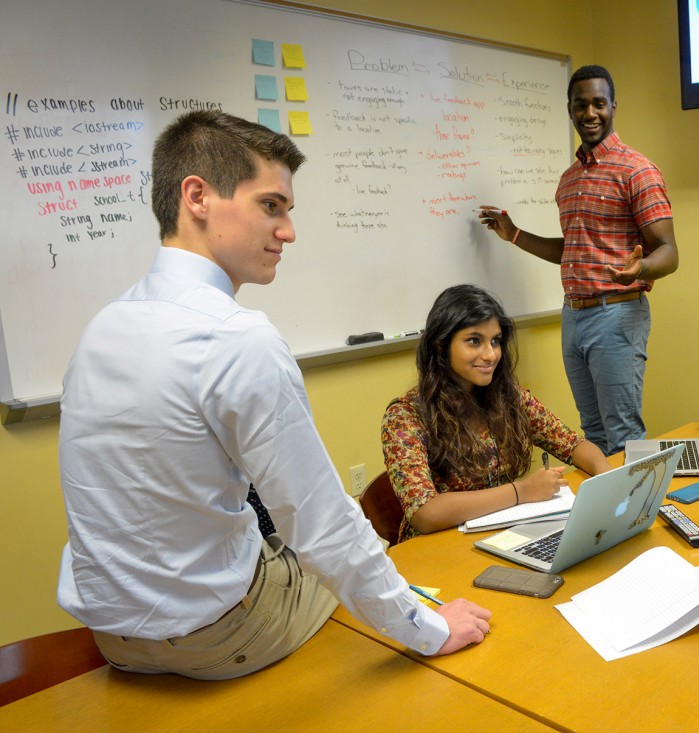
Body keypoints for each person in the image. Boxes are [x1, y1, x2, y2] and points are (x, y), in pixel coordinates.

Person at [57, 111, 490, 680]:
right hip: (220, 637)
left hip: (113, 639)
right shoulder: (237, 337)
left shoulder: (101, 328)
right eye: (271, 206)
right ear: (197, 197)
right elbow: (323, 527)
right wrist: (431, 629)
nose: (288, 230)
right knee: (374, 560)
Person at [477, 64, 679, 455]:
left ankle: (637, 516)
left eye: (599, 104)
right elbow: (572, 250)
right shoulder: (569, 180)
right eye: (581, 104)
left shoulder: (637, 170)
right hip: (574, 315)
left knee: (622, 433)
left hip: (617, 314)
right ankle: (608, 517)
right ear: (569, 109)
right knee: (591, 433)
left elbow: (669, 252)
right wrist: (514, 233)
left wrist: (642, 268)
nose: (590, 113)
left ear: (613, 107)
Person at [382, 284, 612, 542]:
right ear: (440, 345)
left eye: (495, 341)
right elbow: (425, 513)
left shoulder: (509, 396)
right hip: (439, 547)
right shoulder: (405, 415)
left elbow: (573, 444)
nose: (490, 354)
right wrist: (520, 492)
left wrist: (607, 478)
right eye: (474, 341)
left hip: (502, 534)